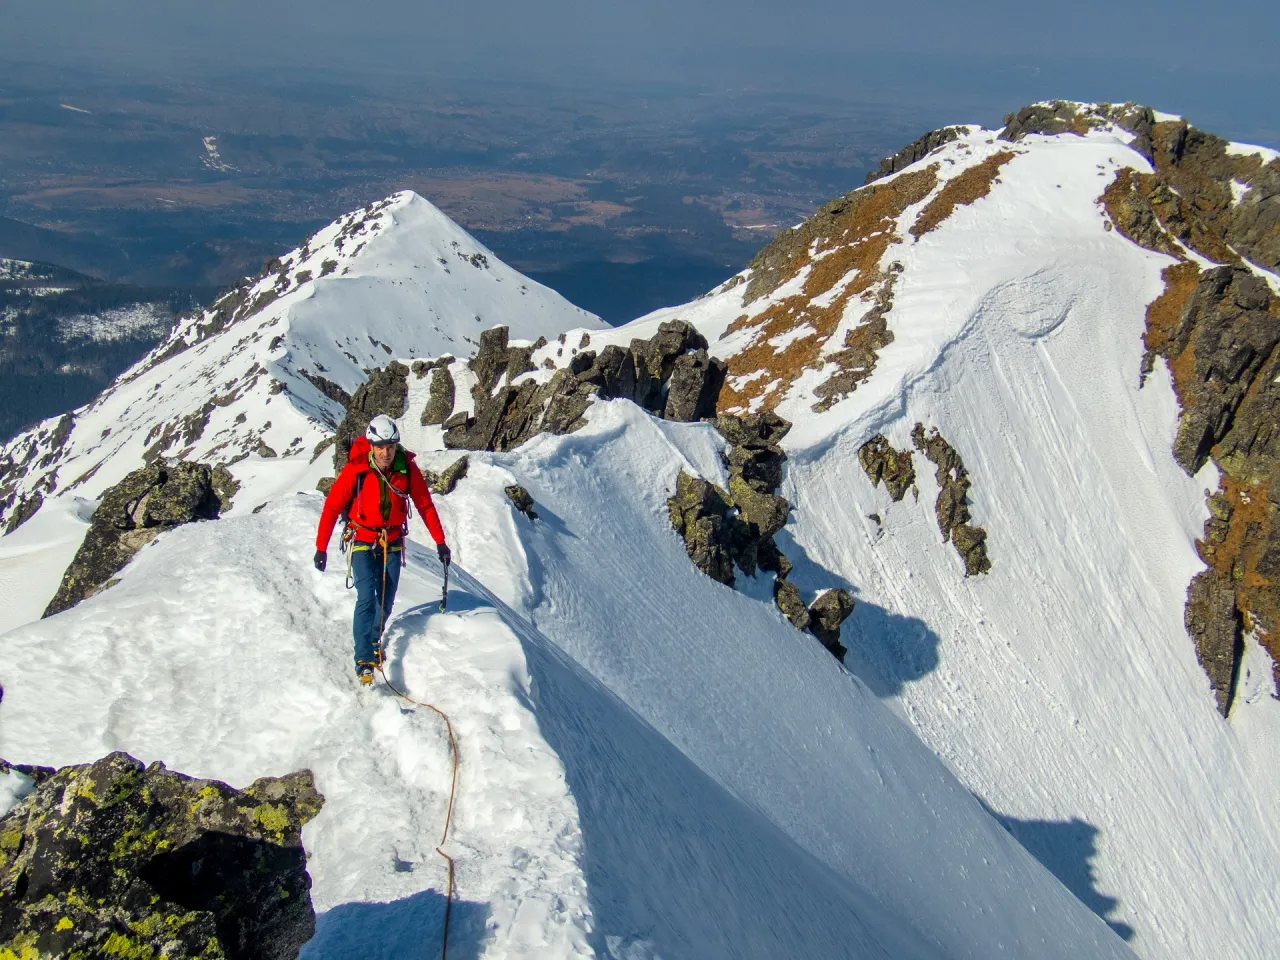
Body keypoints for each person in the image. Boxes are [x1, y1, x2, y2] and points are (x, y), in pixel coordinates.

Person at [314, 414, 451, 684]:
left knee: (386, 600)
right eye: (380, 447)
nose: (386, 452)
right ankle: (364, 657)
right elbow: (331, 507)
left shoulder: (405, 470)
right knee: (367, 597)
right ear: (372, 445)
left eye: (390, 446)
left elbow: (424, 505)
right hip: (362, 540)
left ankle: (375, 638)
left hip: (393, 542)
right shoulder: (357, 470)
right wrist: (321, 548)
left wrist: (440, 541)